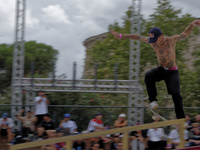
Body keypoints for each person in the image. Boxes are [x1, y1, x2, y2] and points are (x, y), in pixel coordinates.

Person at [111, 19, 200, 119]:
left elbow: (185, 34)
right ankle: (152, 100)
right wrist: (120, 35)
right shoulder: (152, 42)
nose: (155, 43)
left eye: (156, 40)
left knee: (176, 95)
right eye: (153, 41)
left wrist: (192, 24)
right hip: (161, 70)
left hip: (172, 72)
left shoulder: (171, 40)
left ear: (161, 35)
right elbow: (137, 37)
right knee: (149, 75)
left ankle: (181, 119)